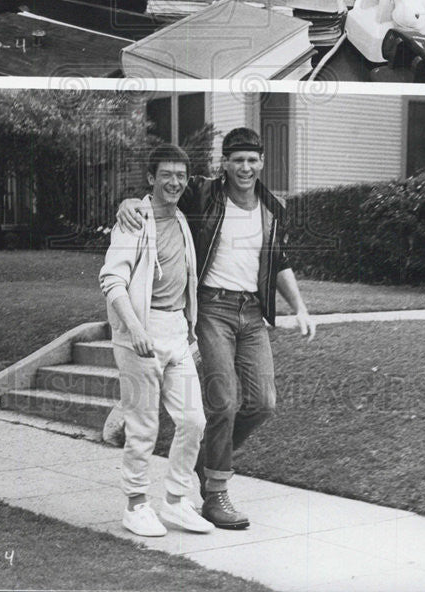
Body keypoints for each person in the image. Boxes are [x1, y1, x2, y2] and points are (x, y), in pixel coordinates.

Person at [117, 127, 316, 530]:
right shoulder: (203, 193)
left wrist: (300, 307)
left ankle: (209, 456)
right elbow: (159, 192)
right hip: (213, 308)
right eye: (237, 160)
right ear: (224, 163)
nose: (245, 167)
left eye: (252, 160)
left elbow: (278, 261)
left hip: (252, 313)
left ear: (261, 163)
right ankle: (215, 494)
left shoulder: (272, 208)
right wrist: (127, 203)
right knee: (222, 403)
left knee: (263, 403)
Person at [99, 143, 213, 538]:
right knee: (143, 427)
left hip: (176, 335)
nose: (175, 182)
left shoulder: (182, 217)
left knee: (194, 420)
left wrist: (188, 328)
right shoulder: (133, 221)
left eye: (181, 176)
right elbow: (111, 281)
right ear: (151, 178)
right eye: (167, 174)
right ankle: (135, 506)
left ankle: (177, 502)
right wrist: (135, 330)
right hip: (139, 337)